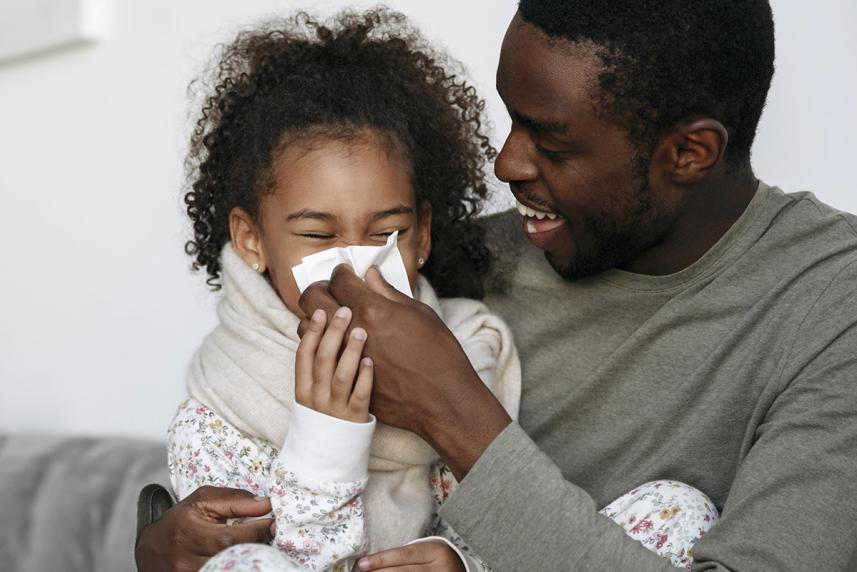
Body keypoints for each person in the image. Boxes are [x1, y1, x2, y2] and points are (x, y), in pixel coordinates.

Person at [137, 1, 857, 571]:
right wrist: (158, 540)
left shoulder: (828, 303)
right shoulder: (453, 262)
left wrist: (452, 408)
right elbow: (245, 398)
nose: (505, 164)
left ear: (689, 152)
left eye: (551, 142)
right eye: (509, 119)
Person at [164, 8, 520, 572]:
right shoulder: (220, 410)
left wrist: (459, 561)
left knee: (674, 506)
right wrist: (327, 439)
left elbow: (519, 534)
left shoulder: (468, 351)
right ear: (252, 240)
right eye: (317, 234)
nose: (354, 266)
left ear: (422, 234)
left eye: (386, 233)